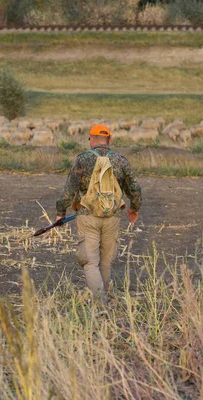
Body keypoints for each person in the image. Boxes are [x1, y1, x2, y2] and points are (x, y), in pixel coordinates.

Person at [55, 123, 142, 303]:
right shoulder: (121, 161)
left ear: (91, 140)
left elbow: (69, 190)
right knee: (105, 261)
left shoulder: (82, 160)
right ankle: (105, 297)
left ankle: (100, 303)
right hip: (112, 217)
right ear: (109, 140)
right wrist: (134, 208)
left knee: (90, 262)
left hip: (87, 217)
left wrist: (60, 211)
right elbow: (134, 189)